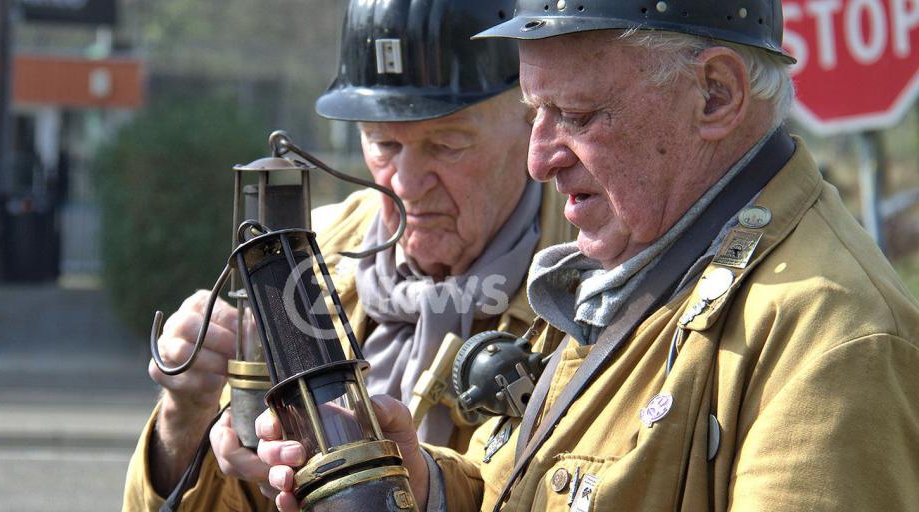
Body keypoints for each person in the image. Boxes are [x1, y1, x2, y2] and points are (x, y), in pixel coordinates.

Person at [258, 1, 919, 511]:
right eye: (535, 111)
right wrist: (423, 483)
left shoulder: (834, 337)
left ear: (715, 95)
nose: (538, 159)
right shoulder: (635, 265)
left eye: (575, 114)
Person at [121, 0, 575, 510]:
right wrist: (187, 415)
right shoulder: (306, 256)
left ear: (532, 121)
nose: (404, 185)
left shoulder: (588, 281)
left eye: (447, 145)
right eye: (382, 144)